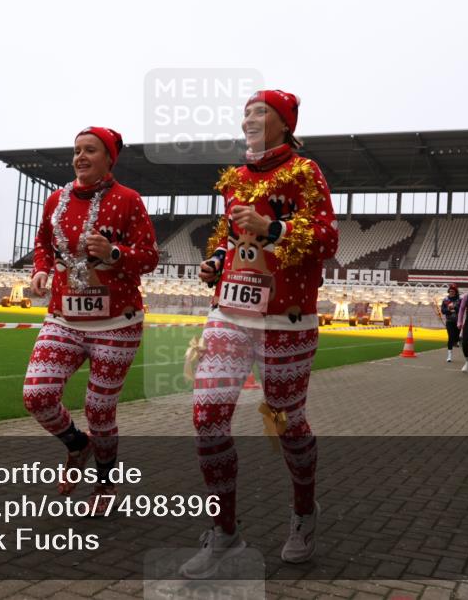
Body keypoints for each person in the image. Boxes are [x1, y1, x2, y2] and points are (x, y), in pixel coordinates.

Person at [181, 89, 339, 578]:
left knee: (288, 425)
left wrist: (273, 228)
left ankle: (304, 511)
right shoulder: (234, 179)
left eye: (260, 111)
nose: (249, 118)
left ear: (284, 122)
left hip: (286, 320)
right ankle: (225, 531)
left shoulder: (305, 172)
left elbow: (328, 238)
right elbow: (232, 243)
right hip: (229, 313)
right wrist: (215, 265)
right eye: (246, 111)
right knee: (207, 415)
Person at [23, 126, 159, 514]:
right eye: (77, 150)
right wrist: (41, 270)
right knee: (37, 395)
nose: (80, 157)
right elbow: (42, 245)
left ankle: (104, 481)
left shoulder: (129, 200)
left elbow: (149, 257)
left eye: (90, 150)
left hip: (117, 322)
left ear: (109, 158)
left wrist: (115, 254)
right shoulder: (55, 200)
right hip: (64, 317)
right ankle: (76, 445)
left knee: (100, 410)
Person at [440, 284, 461, 362]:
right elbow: (443, 311)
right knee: (450, 337)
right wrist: (449, 310)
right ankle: (449, 355)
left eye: (453, 291)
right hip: (449, 321)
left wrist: (454, 308)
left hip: (458, 321)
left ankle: (458, 340)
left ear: (456, 292)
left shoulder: (459, 300)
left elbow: (461, 309)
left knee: (456, 337)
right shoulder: (445, 300)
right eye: (450, 291)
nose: (451, 292)